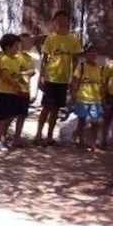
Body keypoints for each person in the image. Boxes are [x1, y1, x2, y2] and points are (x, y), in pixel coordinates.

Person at [36, 10, 82, 146]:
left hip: (63, 79)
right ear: (55, 21)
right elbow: (44, 59)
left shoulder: (73, 39)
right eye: (59, 19)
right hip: (51, 78)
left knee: (56, 109)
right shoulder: (51, 38)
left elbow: (76, 60)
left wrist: (74, 79)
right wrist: (42, 76)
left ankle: (50, 136)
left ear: (68, 21)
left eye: (64, 19)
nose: (61, 22)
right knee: (46, 107)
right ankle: (38, 134)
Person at [0, 34, 30, 151]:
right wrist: (18, 86)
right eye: (16, 46)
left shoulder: (16, 59)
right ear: (7, 47)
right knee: (2, 118)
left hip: (12, 93)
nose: (18, 48)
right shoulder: (5, 59)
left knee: (9, 117)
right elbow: (5, 77)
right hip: (3, 93)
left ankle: (1, 138)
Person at [68, 44, 105, 152]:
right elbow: (75, 81)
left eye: (95, 52)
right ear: (86, 54)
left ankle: (92, 141)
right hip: (83, 98)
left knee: (95, 122)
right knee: (81, 121)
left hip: (95, 100)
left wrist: (103, 100)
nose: (93, 54)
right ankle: (80, 141)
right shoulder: (81, 66)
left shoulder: (100, 68)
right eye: (90, 52)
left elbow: (101, 85)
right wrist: (73, 96)